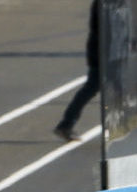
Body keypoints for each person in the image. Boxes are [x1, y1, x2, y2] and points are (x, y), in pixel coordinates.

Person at [55, 0, 100, 141]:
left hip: (104, 49)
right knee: (93, 87)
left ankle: (66, 124)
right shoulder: (107, 4)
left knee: (92, 88)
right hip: (103, 51)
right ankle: (66, 124)